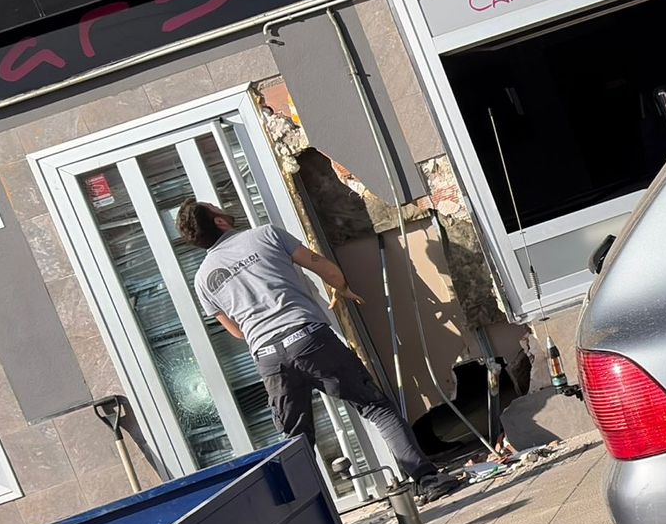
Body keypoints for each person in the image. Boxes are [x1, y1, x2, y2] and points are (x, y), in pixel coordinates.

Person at [177, 201, 459, 503]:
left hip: (269, 359)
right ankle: (427, 480)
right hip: (309, 338)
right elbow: (320, 265)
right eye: (214, 207)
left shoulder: (203, 279)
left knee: (296, 442)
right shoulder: (265, 235)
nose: (221, 207)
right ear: (219, 222)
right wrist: (341, 288)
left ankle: (306, 513)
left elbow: (236, 331)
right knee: (375, 407)